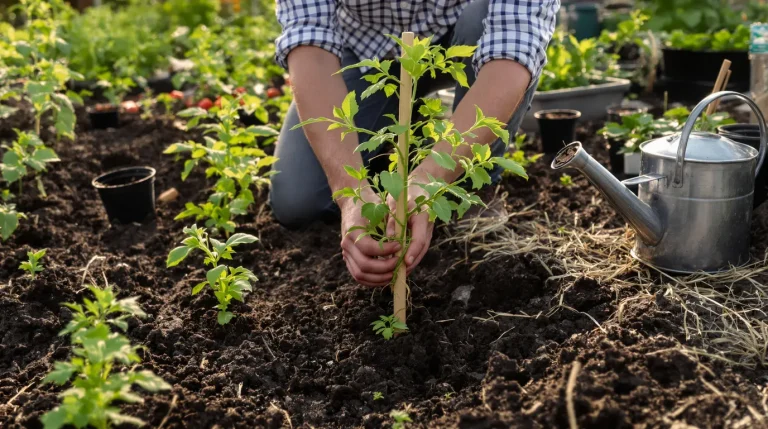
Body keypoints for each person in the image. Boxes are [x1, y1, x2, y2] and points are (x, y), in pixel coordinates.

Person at [271, 0, 559, 287]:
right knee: (300, 202)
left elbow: (515, 45)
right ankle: (396, 147)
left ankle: (471, 187)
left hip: (463, 37)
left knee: (479, 21)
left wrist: (430, 178)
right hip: (365, 49)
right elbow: (309, 36)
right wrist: (350, 191)